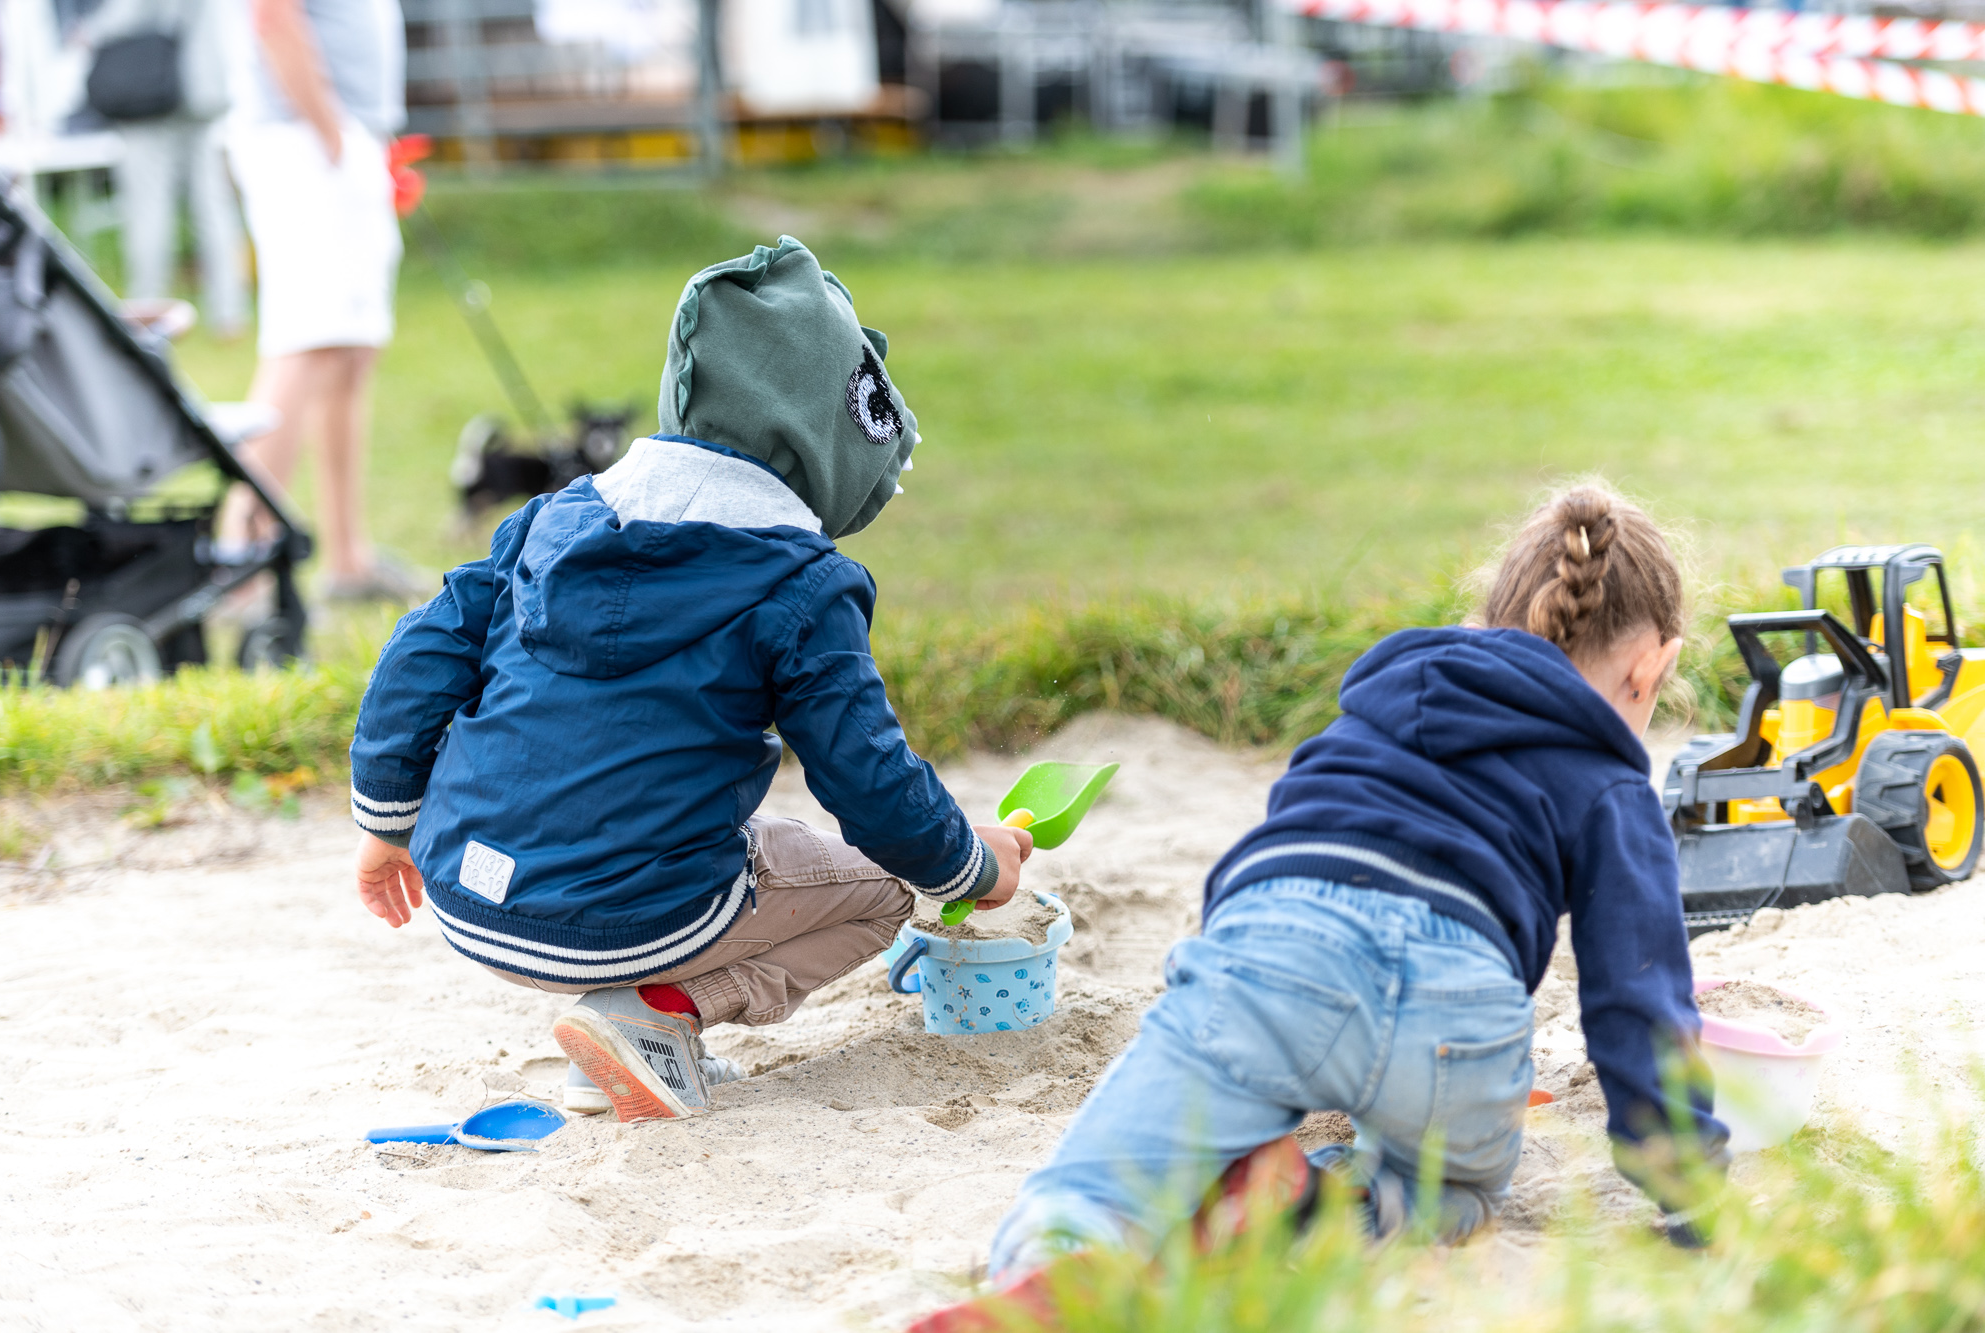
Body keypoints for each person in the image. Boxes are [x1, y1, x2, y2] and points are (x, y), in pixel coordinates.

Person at [920, 483, 1729, 1329]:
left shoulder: (1387, 699)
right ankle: (1315, 1208)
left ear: (1486, 624)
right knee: (1453, 1190)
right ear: (1652, 666)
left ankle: (1054, 1269)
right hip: (1457, 1006)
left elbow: (1271, 844)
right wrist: (1691, 1196)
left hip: (1270, 946)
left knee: (1091, 1189)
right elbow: (1639, 1001)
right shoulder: (1609, 782)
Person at [347, 237, 1034, 1122]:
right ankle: (656, 1015)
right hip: (634, 923)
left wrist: (388, 820)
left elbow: (421, 650)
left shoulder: (554, 518)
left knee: (727, 831)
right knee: (886, 883)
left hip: (465, 890)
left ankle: (619, 1041)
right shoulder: (796, 585)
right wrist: (970, 865)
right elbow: (868, 779)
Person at [216, 0, 417, 602]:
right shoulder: (315, 139)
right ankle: (240, 568)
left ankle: (348, 560)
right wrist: (330, 134)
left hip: (335, 135)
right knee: (304, 344)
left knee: (348, 353)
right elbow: (273, 15)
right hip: (304, 137)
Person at [72, 0, 249, 336]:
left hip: (154, 84)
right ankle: (229, 313)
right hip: (206, 85)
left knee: (148, 206)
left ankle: (147, 311)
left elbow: (131, 10)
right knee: (213, 202)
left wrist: (90, 32)